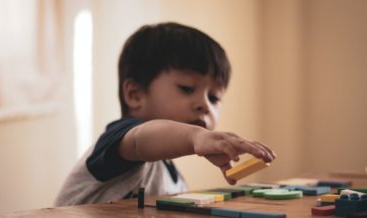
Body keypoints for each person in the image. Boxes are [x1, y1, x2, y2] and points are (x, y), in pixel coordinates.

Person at [54, 22, 276, 206]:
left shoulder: (175, 182)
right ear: (135, 94)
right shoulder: (122, 141)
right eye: (187, 88)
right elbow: (142, 140)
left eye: (214, 97)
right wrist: (194, 136)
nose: (204, 105)